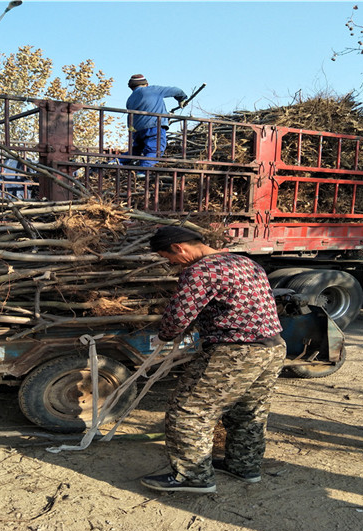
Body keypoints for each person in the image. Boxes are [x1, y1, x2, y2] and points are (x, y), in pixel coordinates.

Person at [141, 226, 286, 494]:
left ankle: (193, 477)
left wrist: (165, 335)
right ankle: (244, 465)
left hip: (236, 351)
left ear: (179, 248)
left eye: (167, 257)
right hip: (272, 347)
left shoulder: (200, 270)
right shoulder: (245, 261)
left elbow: (179, 314)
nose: (170, 263)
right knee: (249, 410)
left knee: (187, 409)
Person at [125, 74, 187, 172]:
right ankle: (142, 172)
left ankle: (116, 161)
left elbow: (131, 118)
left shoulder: (130, 99)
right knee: (155, 150)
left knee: (135, 151)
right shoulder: (152, 89)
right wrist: (182, 98)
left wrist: (133, 132)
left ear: (131, 87)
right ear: (146, 84)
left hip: (137, 130)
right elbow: (176, 91)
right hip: (154, 127)